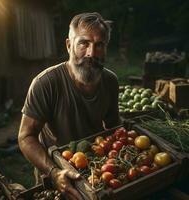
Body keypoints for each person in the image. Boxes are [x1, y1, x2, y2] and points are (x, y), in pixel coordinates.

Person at [18, 12, 120, 200]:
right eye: (83, 43)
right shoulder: (46, 83)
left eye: (99, 45)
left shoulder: (110, 81)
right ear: (68, 45)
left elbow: (113, 126)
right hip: (56, 175)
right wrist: (53, 172)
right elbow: (26, 137)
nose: (91, 53)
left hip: (96, 172)